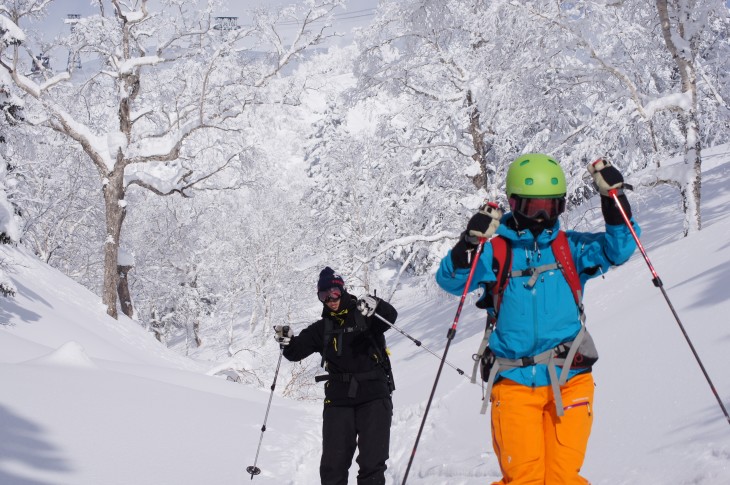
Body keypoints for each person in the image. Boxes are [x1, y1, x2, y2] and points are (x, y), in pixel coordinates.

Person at [436, 153, 639, 485]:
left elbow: (619, 250)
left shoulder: (569, 248)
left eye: (553, 206)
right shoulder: (497, 251)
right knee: (524, 478)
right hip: (514, 383)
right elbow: (451, 280)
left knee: (563, 478)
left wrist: (613, 200)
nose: (544, 216)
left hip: (570, 376)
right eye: (534, 207)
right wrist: (470, 243)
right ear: (515, 204)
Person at [274, 266, 398, 485]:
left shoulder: (365, 314)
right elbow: (295, 352)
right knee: (333, 467)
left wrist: (376, 304)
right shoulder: (321, 328)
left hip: (374, 395)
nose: (331, 299)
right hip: (339, 399)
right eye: (324, 295)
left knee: (372, 465)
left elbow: (389, 317)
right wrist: (287, 341)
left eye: (334, 293)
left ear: (342, 290)